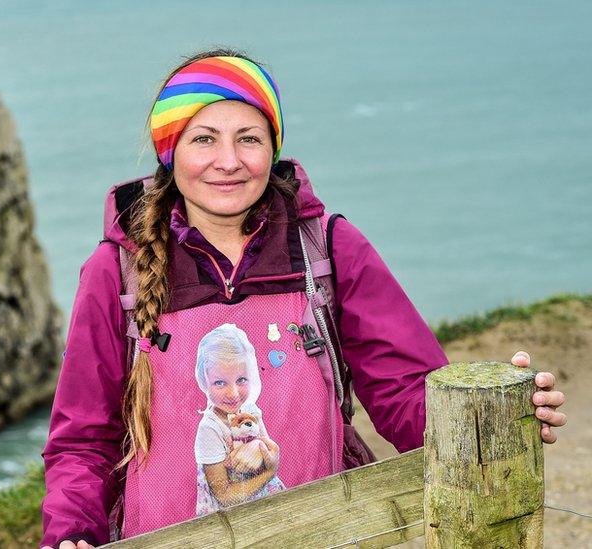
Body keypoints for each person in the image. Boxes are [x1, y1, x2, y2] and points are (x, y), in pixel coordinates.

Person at [40, 49, 567, 549]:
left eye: (248, 138)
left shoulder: (328, 249)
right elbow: (84, 438)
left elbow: (404, 395)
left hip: (325, 534)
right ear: (169, 152)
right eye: (204, 139)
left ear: (273, 147)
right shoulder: (118, 271)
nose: (228, 161)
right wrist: (71, 531)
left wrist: (492, 412)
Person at [192, 323, 285, 515]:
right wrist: (269, 473)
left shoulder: (250, 410)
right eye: (220, 383)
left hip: (268, 507)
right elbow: (224, 497)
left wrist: (256, 448)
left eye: (241, 380)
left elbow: (270, 451)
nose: (233, 393)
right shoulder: (211, 429)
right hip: (235, 521)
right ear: (204, 381)